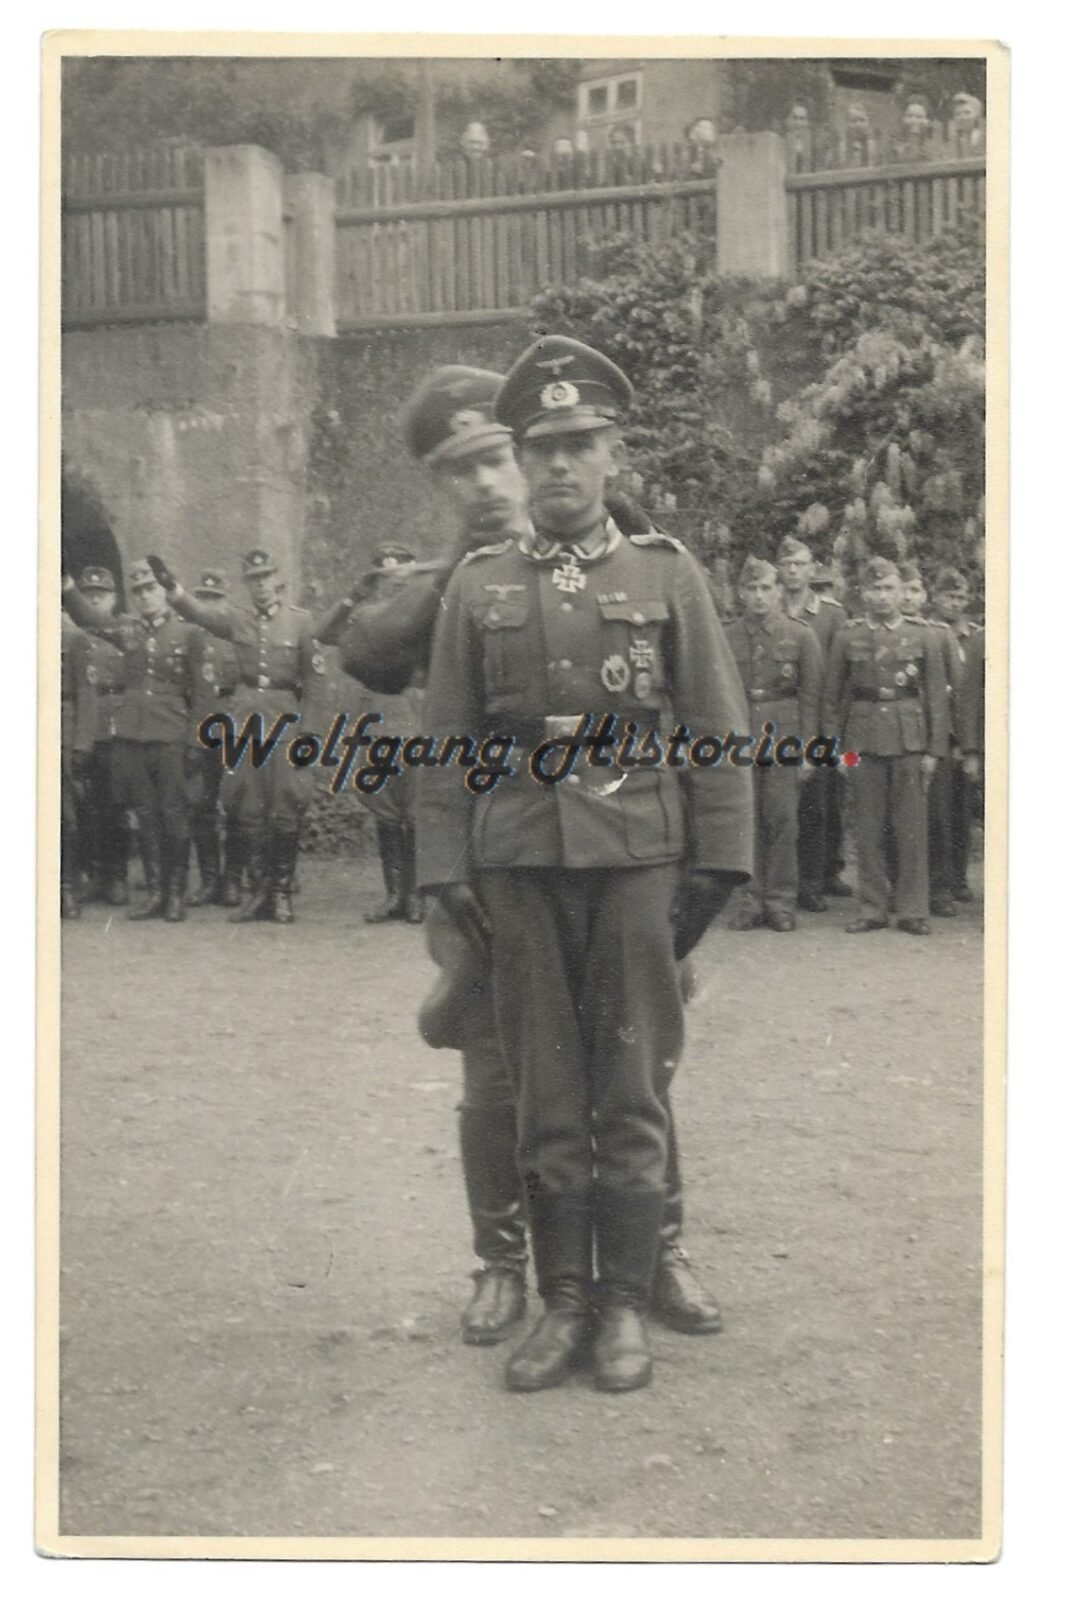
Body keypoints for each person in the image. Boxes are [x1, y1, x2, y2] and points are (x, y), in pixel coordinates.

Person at [339, 364, 727, 1348]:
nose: (484, 483)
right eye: (456, 470)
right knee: (499, 1069)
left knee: (636, 1058)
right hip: (498, 856)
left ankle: (655, 1249)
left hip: (624, 846)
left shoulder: (630, 543)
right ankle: (504, 1262)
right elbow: (371, 658)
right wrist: (453, 572)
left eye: (493, 460)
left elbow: (690, 691)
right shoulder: (456, 581)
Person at [146, 549, 354, 925]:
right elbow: (200, 613)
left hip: (285, 725)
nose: (260, 585)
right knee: (247, 809)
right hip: (245, 725)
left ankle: (281, 894)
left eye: (265, 577)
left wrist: (310, 733)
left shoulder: (301, 622)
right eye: (253, 579)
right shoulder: (236, 619)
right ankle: (259, 893)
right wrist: (172, 588)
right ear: (247, 584)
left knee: (285, 807)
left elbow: (316, 683)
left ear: (277, 580)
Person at [63, 559, 200, 923]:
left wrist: (196, 742)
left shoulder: (189, 633)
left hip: (171, 735)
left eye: (151, 588)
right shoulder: (129, 631)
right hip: (133, 736)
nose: (144, 596)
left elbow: (203, 696)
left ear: (164, 591)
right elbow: (90, 618)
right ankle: (155, 893)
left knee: (173, 815)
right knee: (146, 815)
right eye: (138, 591)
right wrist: (67, 586)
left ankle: (175, 893)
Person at [823, 557, 950, 935]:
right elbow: (832, 698)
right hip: (861, 742)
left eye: (889, 589)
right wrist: (837, 751)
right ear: (864, 594)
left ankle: (913, 909)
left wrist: (933, 751)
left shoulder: (923, 635)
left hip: (910, 740)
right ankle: (872, 908)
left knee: (911, 829)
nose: (882, 596)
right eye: (875, 589)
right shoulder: (848, 636)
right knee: (868, 828)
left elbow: (936, 699)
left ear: (900, 592)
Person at [724, 557, 822, 932]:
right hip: (740, 735)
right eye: (752, 589)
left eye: (766, 588)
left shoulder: (800, 635)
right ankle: (750, 900)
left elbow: (810, 697)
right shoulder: (726, 635)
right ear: (740, 593)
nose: (759, 596)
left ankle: (780, 902)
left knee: (782, 820)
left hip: (784, 736)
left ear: (779, 591)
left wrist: (809, 749)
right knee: (745, 820)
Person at [344, 543, 426, 926]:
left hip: (417, 723)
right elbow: (332, 637)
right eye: (385, 578)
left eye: (401, 577)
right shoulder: (365, 617)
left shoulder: (429, 616)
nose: (394, 584)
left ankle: (417, 896)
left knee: (416, 812)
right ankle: (394, 895)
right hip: (377, 723)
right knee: (386, 812)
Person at [776, 535, 849, 910]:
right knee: (781, 806)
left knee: (819, 804)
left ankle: (816, 879)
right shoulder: (769, 607)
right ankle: (785, 879)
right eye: (787, 565)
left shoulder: (831, 615)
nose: (793, 571)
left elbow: (839, 676)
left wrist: (832, 731)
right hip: (779, 719)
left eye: (800, 564)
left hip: (820, 718)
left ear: (811, 570)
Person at [900, 562, 962, 917]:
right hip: (898, 737)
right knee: (899, 818)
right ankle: (901, 887)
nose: (908, 598)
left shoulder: (939, 634)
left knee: (937, 815)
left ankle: (940, 888)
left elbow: (956, 692)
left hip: (934, 739)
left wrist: (950, 741)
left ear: (925, 596)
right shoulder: (882, 633)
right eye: (904, 590)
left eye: (915, 590)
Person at [68, 565, 129, 906]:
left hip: (114, 722)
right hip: (84, 725)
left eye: (101, 594)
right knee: (87, 806)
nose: (94, 600)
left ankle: (117, 875)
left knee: (114, 804)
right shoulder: (72, 633)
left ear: (114, 598)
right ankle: (95, 874)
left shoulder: (124, 629)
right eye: (88, 594)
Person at [185, 569, 241, 907]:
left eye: (215, 598)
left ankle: (233, 879)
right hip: (199, 728)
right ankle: (209, 880)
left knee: (236, 804)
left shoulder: (239, 634)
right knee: (200, 805)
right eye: (202, 598)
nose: (208, 604)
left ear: (226, 602)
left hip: (232, 727)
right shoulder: (188, 636)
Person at [931, 568, 983, 902]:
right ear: (935, 597)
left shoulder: (976, 638)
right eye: (948, 596)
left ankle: (958, 878)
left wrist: (970, 746)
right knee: (934, 812)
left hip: (962, 738)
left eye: (960, 597)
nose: (954, 603)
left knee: (961, 810)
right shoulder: (925, 632)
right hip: (931, 735)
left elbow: (973, 696)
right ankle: (937, 879)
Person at [61, 609, 96, 919]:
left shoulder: (72, 636)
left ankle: (66, 888)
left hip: (61, 729)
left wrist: (82, 743)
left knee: (64, 816)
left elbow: (86, 693)